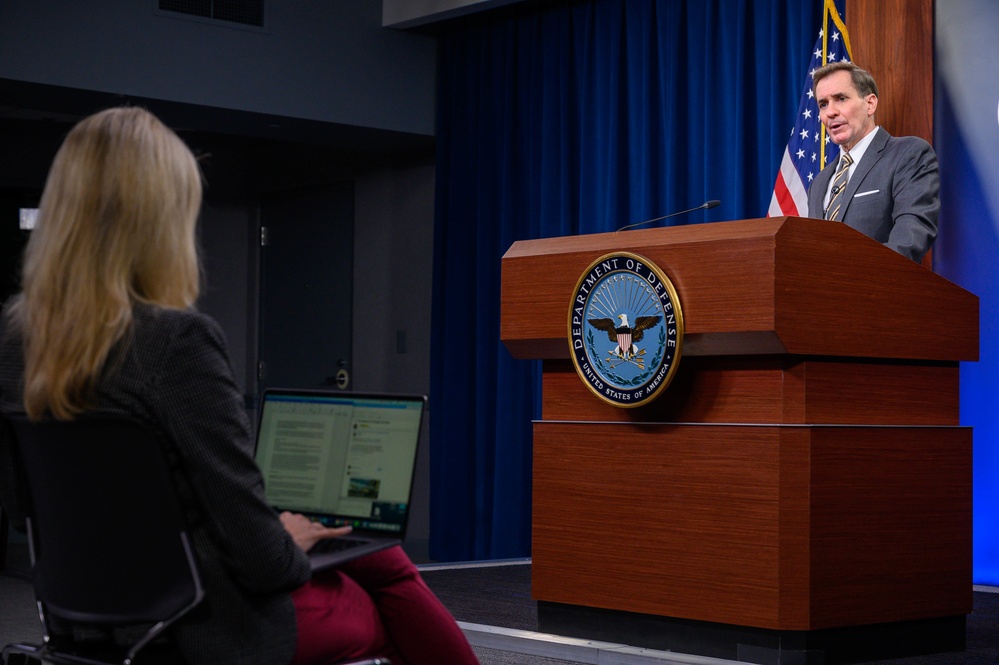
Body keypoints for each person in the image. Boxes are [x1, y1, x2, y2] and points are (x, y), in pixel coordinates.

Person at [0, 107, 479, 665]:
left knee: (375, 557)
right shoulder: (176, 342)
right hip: (210, 627)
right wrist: (287, 541)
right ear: (160, 223)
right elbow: (263, 562)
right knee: (387, 585)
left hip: (87, 618)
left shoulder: (13, 344)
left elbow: (20, 507)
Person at [806, 61, 939, 263]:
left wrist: (852, 279)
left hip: (879, 289)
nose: (830, 112)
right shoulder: (819, 182)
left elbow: (910, 237)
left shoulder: (908, 154)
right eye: (823, 104)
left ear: (870, 104)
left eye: (841, 99)